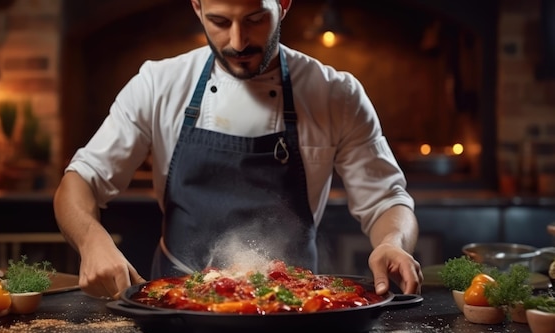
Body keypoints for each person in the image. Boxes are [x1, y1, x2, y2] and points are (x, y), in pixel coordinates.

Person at [53, 0, 423, 300]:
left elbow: (386, 200)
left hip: (295, 304)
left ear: (283, 4)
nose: (238, 41)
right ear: (196, 7)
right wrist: (91, 239)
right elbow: (80, 181)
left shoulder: (336, 94)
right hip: (177, 300)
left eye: (255, 19)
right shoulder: (157, 84)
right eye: (218, 20)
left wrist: (392, 243)